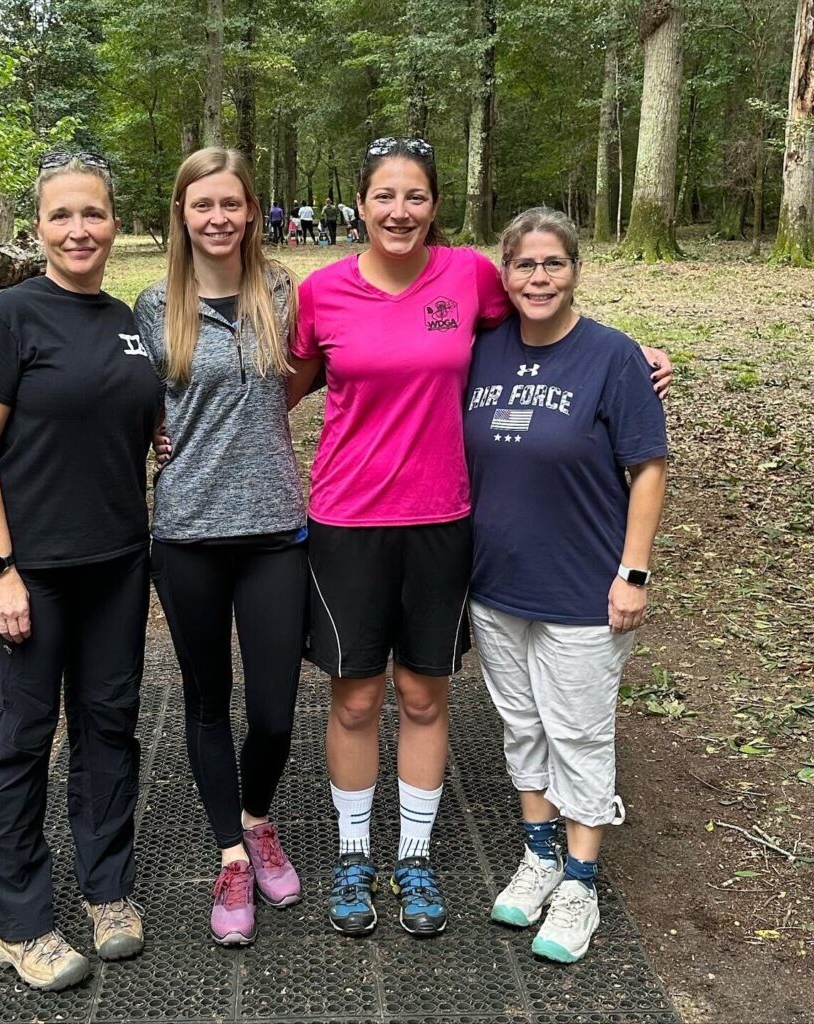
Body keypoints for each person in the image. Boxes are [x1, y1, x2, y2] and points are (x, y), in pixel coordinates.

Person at [285, 137, 671, 940]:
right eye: (385, 196)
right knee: (355, 698)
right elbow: (275, 395)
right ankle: (356, 856)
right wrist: (177, 432)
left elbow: (551, 316)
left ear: (435, 206)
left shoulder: (467, 278)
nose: (400, 211)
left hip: (443, 522)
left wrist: (635, 357)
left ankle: (415, 858)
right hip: (349, 522)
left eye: (416, 196)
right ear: (360, 204)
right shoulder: (321, 293)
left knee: (425, 695)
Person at [0, 152, 161, 990]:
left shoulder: (129, 321)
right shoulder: (10, 316)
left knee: (110, 727)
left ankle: (108, 890)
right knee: (21, 740)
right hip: (28, 571)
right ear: (38, 227)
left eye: (94, 214)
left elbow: (133, 416)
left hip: (117, 564)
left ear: (115, 223)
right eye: (62, 215)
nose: (79, 229)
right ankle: (21, 921)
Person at [465, 207, 667, 963]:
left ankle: (581, 883)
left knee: (578, 733)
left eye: (554, 263)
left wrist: (633, 573)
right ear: (505, 274)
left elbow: (648, 467)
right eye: (525, 265)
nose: (539, 278)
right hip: (496, 584)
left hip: (585, 587)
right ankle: (540, 855)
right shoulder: (482, 353)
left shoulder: (613, 357)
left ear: (576, 269)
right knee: (523, 728)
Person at [134, 147, 307, 947]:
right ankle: (233, 857)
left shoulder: (283, 293)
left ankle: (258, 818)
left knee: (273, 712)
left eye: (230, 204)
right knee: (207, 703)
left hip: (274, 529)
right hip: (188, 533)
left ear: (251, 210)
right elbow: (114, 400)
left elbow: (361, 353)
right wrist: (151, 439)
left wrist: (627, 358)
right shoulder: (149, 305)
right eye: (201, 204)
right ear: (182, 213)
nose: (217, 218)